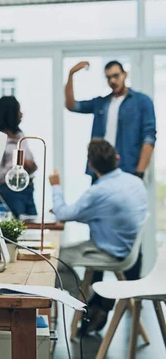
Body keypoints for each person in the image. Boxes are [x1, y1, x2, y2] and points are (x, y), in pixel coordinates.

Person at [49, 139, 147, 334]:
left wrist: (56, 186)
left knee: (50, 261)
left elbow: (63, 214)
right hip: (129, 250)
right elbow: (115, 214)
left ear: (91, 165)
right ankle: (95, 300)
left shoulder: (97, 192)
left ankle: (90, 300)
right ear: (117, 158)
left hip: (109, 252)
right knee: (58, 257)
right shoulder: (135, 181)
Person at [64, 60, 156, 183]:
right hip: (100, 169)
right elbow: (72, 106)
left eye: (116, 76)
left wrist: (140, 172)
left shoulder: (142, 101)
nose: (112, 81)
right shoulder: (101, 103)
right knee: (99, 203)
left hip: (128, 170)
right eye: (108, 77)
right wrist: (71, 74)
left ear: (125, 74)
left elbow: (149, 138)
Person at [0, 96, 38, 219]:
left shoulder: (20, 136)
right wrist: (16, 165)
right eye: (18, 111)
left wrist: (30, 165)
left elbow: (30, 162)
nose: (21, 115)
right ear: (9, 113)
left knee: (33, 230)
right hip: (9, 193)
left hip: (28, 191)